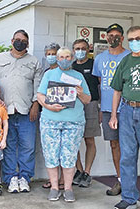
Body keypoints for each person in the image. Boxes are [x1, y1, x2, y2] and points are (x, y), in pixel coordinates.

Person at [109, 26, 140, 209]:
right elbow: (117, 91)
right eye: (130, 40)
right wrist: (114, 115)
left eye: (137, 38)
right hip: (128, 111)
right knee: (127, 157)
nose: (134, 42)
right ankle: (129, 198)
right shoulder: (125, 61)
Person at [0, 29, 42, 193]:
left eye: (24, 40)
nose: (20, 42)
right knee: (8, 146)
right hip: (5, 112)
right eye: (17, 39)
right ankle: (11, 178)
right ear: (12, 40)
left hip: (27, 110)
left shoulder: (34, 62)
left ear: (27, 43)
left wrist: (36, 104)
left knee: (28, 147)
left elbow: (38, 85)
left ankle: (25, 178)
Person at [37, 47, 91, 202]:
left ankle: (68, 188)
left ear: (72, 58)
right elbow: (40, 95)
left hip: (73, 122)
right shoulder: (49, 74)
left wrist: (80, 92)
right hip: (50, 121)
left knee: (69, 156)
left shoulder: (78, 76)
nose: (64, 59)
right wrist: (48, 106)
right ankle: (54, 187)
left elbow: (87, 100)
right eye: (61, 56)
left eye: (67, 56)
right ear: (57, 58)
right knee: (51, 155)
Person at [92, 23, 130, 196]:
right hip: (108, 109)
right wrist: (100, 107)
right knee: (114, 145)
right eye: (110, 35)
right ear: (106, 38)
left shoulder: (130, 56)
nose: (112, 38)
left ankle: (131, 182)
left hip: (129, 108)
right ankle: (121, 180)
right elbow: (100, 85)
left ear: (122, 38)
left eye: (116, 35)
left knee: (130, 146)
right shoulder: (100, 59)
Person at [72, 39, 101, 187]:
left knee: (89, 140)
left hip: (91, 104)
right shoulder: (70, 66)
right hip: (74, 106)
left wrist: (101, 107)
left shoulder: (94, 64)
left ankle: (87, 173)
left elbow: (100, 85)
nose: (80, 51)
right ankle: (79, 170)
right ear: (73, 50)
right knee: (73, 141)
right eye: (77, 48)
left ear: (88, 50)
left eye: (83, 48)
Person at [41, 43, 65, 190]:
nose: (51, 56)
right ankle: (54, 181)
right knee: (51, 151)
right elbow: (41, 94)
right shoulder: (46, 73)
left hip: (65, 115)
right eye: (48, 54)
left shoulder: (65, 72)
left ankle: (63, 180)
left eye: (53, 54)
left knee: (64, 152)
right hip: (49, 116)